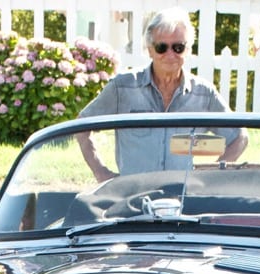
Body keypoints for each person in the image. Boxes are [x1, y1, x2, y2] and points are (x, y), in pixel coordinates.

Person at [75, 7, 248, 181]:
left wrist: (211, 176)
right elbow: (82, 126)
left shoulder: (203, 94)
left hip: (182, 194)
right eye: (161, 47)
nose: (170, 54)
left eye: (178, 47)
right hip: (133, 194)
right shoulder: (123, 87)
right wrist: (101, 172)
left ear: (188, 50)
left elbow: (239, 137)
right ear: (150, 50)